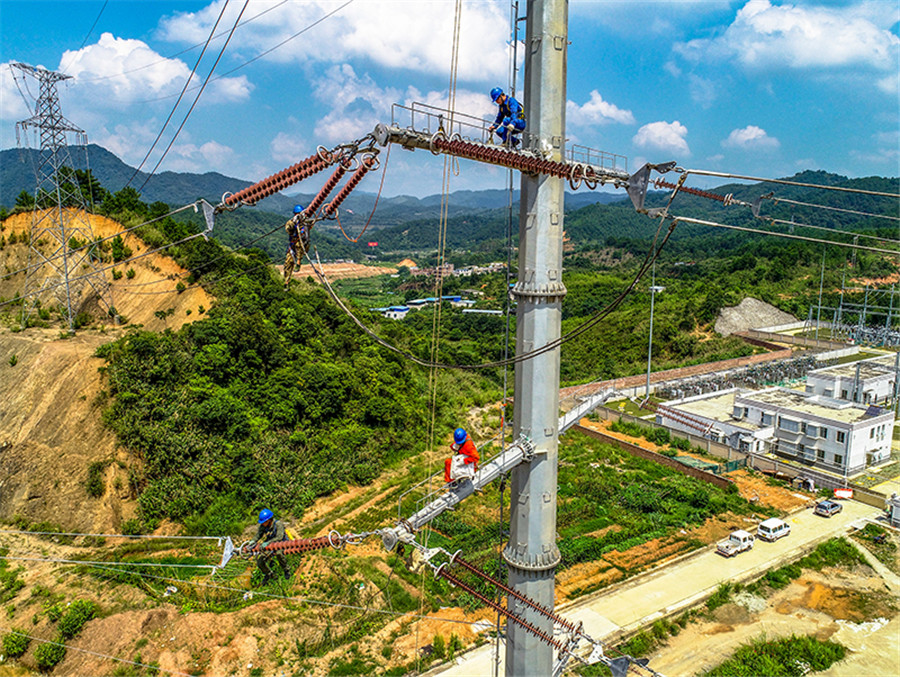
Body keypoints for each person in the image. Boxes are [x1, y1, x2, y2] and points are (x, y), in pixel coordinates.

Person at [246, 508, 291, 583]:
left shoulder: (278, 524)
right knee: (260, 561)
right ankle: (270, 575)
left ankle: (286, 570)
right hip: (270, 545)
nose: (262, 524)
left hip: (281, 543)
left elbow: (279, 537)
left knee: (279, 554)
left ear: (269, 520)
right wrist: (253, 541)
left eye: (264, 522)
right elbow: (259, 535)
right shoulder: (263, 526)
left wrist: (268, 542)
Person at [283, 205, 313, 289]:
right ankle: (286, 281)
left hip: (303, 245)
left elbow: (312, 223)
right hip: (293, 245)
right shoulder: (292, 222)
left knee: (299, 245)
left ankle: (299, 262)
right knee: (288, 263)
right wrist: (293, 222)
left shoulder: (305, 223)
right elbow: (288, 228)